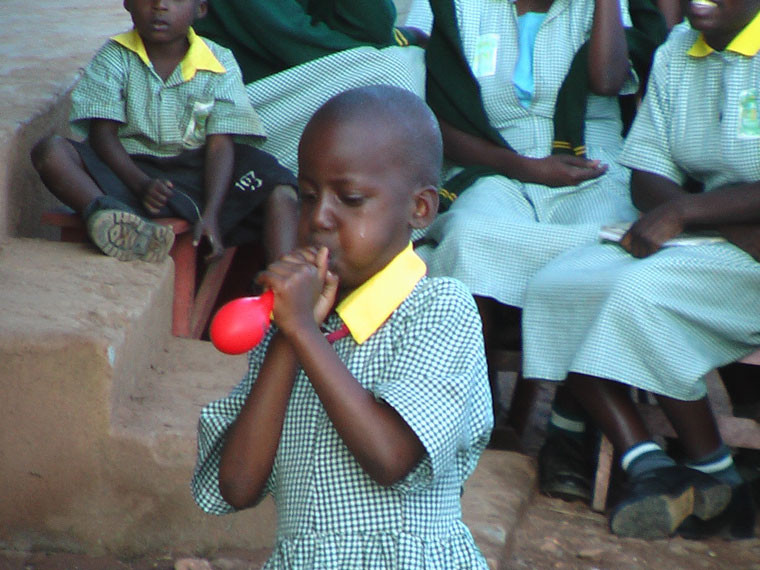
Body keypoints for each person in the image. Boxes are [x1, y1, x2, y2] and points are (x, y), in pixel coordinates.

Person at [191, 86, 493, 568]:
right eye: (308, 196)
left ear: (420, 209)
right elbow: (238, 485)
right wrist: (290, 337)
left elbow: (390, 457)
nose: (320, 219)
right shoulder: (291, 324)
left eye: (350, 199)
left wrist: (305, 335)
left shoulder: (439, 310)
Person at [522, 0, 760, 539]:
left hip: (736, 255)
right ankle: (650, 463)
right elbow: (647, 175)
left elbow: (670, 205)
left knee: (635, 294)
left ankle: (712, 474)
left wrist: (683, 213)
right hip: (718, 239)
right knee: (558, 286)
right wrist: (696, 217)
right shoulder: (677, 49)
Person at [415, 0, 666, 465]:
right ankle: (478, 407)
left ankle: (572, 431)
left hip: (590, 165)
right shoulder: (463, 9)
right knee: (469, 237)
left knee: (611, 243)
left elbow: (608, 80)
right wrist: (524, 167)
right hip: (496, 164)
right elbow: (440, 120)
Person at [31, 0, 298, 264]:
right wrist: (140, 184)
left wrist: (212, 214)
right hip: (127, 169)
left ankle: (283, 282)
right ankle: (110, 217)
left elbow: (220, 144)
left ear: (200, 9)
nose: (160, 5)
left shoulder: (218, 61)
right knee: (50, 152)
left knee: (278, 184)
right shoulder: (114, 57)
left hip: (199, 173)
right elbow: (103, 136)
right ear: (127, 3)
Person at [192, 0, 428, 175]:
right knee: (397, 77)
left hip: (291, 90)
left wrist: (398, 40)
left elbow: (370, 28)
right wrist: (404, 40)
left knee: (416, 73)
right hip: (221, 119)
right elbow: (298, 45)